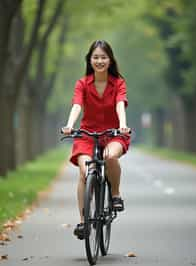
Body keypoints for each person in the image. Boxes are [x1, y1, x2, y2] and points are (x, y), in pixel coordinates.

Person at [62, 40, 130, 240]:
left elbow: (120, 104)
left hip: (113, 133)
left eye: (103, 57)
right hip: (87, 135)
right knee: (85, 172)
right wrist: (69, 124)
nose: (99, 61)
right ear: (90, 60)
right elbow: (76, 105)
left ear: (110, 60)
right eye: (96, 57)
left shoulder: (118, 83)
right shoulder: (82, 83)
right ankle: (84, 222)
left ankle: (115, 195)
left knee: (110, 157)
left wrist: (123, 125)